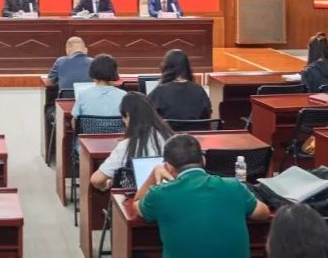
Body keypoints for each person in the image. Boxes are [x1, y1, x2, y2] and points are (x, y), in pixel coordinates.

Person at [133, 134, 270, 258]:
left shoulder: (159, 195)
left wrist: (154, 173)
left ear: (168, 167)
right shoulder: (234, 186)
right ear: (203, 160)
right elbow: (263, 213)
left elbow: (136, 203)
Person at [90, 92, 174, 191]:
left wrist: (107, 183)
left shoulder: (127, 146)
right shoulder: (170, 137)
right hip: (171, 191)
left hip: (139, 196)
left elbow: (96, 180)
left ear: (128, 116)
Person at [148, 49, 211, 120]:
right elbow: (206, 116)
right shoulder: (199, 89)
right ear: (187, 67)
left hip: (168, 127)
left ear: (166, 67)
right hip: (196, 127)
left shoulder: (159, 91)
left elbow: (146, 113)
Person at [71, 54, 126, 125]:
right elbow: (127, 121)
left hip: (89, 132)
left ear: (92, 71)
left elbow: (75, 121)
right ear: (114, 72)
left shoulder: (83, 94)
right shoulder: (123, 95)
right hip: (116, 132)